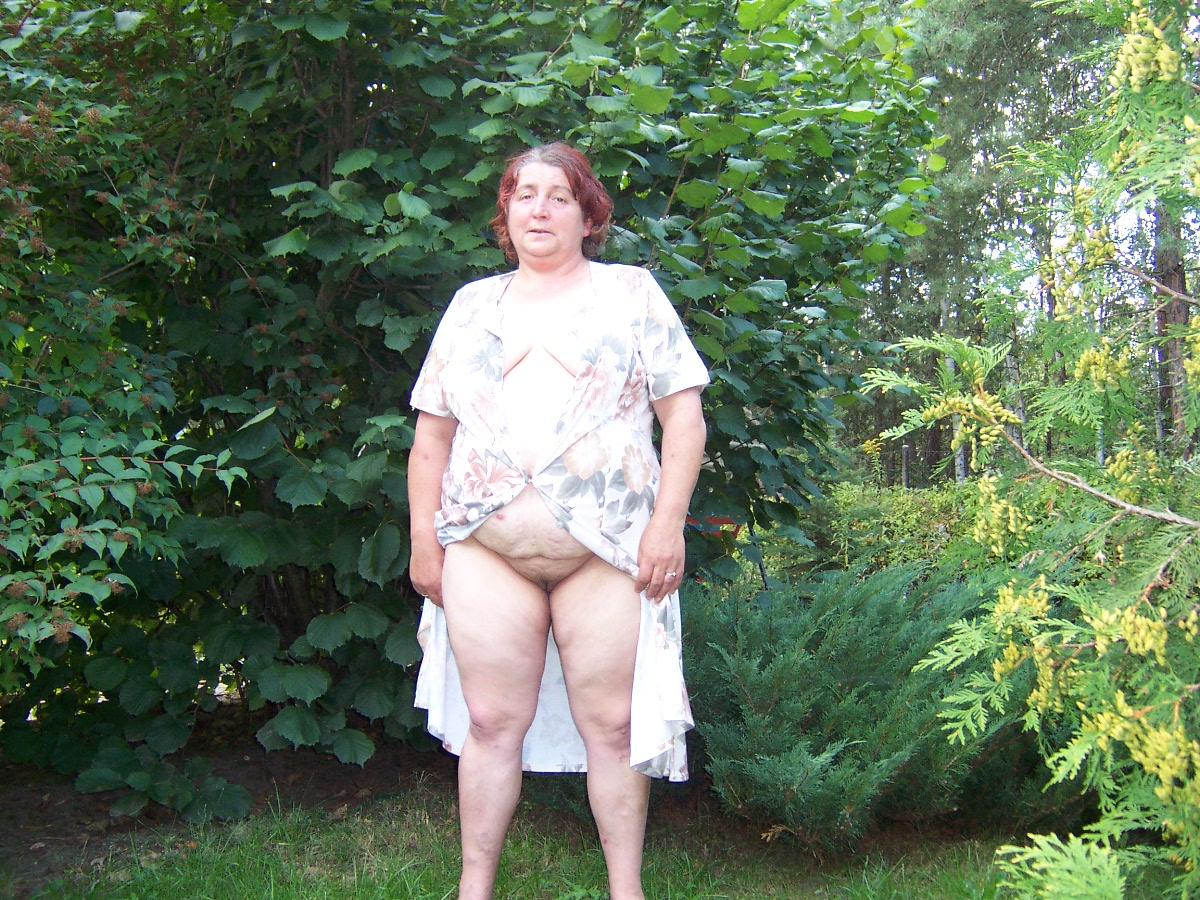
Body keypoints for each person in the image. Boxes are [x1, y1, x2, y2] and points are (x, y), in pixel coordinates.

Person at [407, 142, 708, 900]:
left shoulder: (632, 293)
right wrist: (422, 540)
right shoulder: (471, 306)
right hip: (485, 547)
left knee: (612, 725)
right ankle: (474, 888)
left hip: (608, 550)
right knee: (489, 721)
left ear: (588, 216)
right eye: (524, 195)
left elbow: (684, 418)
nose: (539, 209)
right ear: (506, 215)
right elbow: (431, 437)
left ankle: (625, 890)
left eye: (559, 196)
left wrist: (667, 524)